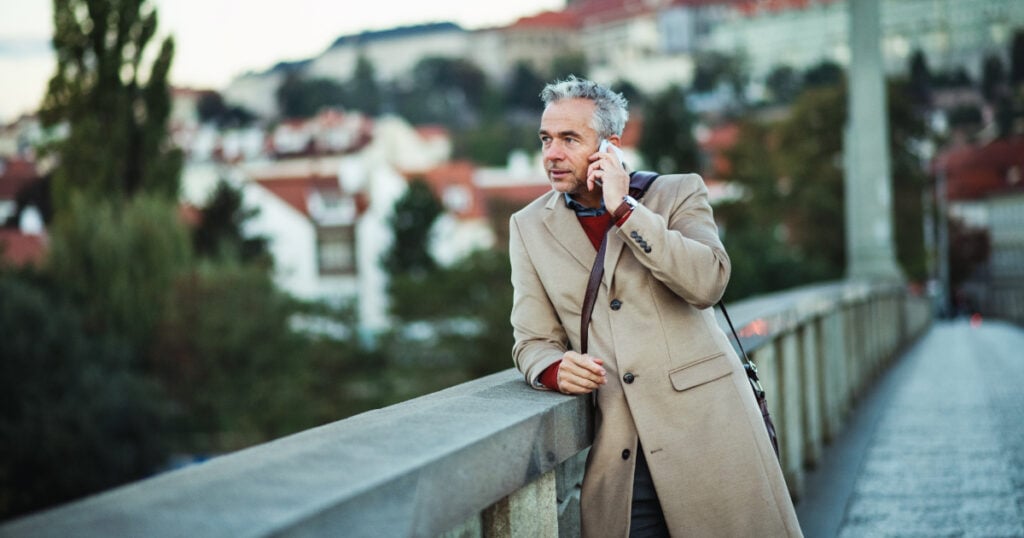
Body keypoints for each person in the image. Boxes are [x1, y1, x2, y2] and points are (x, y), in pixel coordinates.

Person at [508, 76, 802, 537]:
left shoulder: (678, 193)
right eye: (546, 139)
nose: (552, 153)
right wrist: (551, 368)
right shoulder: (528, 226)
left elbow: (708, 282)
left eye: (569, 139)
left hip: (709, 436)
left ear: (610, 146)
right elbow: (531, 339)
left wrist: (624, 209)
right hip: (620, 455)